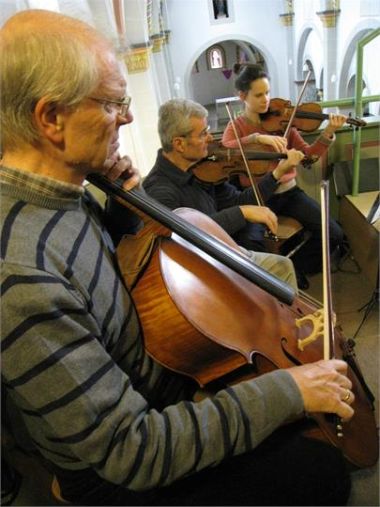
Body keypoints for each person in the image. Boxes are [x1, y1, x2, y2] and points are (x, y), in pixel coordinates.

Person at [1, 9, 354, 507]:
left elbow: (110, 269)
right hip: (117, 472)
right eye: (112, 103)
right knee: (319, 472)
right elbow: (131, 450)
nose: (126, 117)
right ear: (51, 118)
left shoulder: (68, 189)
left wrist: (127, 202)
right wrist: (287, 390)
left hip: (163, 372)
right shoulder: (21, 275)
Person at [143, 98, 306, 291]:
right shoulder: (160, 190)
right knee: (275, 276)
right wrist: (241, 212)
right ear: (179, 144)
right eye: (203, 133)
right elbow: (185, 238)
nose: (211, 138)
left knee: (283, 266)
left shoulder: (202, 170)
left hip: (221, 251)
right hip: (200, 269)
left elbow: (240, 200)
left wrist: (278, 173)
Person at [222, 63, 346, 289]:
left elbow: (308, 158)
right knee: (249, 241)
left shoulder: (283, 122)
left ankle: (292, 265)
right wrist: (258, 138)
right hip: (258, 197)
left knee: (334, 233)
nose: (266, 100)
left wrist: (328, 133)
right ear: (242, 96)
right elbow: (226, 147)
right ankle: (269, 283)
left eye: (267, 93)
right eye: (258, 95)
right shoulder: (237, 126)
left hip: (289, 193)